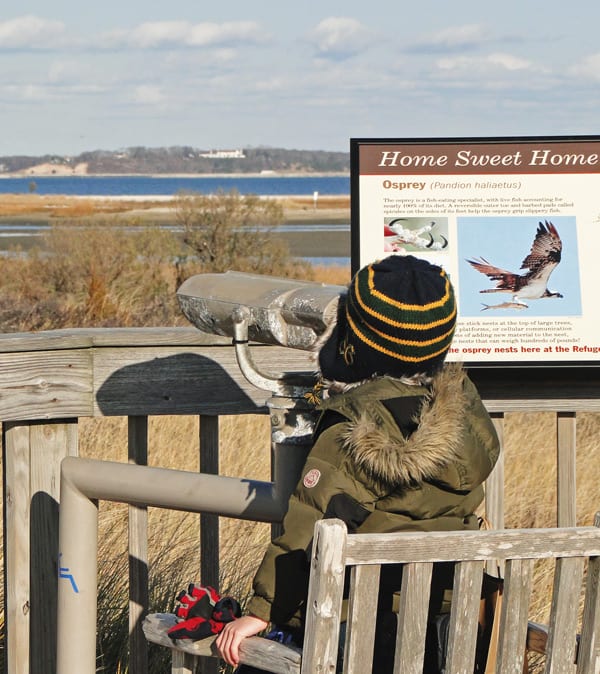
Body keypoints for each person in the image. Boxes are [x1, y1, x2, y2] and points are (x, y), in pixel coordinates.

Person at [215, 254, 500, 672]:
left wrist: (261, 612)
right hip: (445, 622)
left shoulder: (354, 430)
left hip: (363, 631)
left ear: (359, 341)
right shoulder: (464, 418)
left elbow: (306, 531)